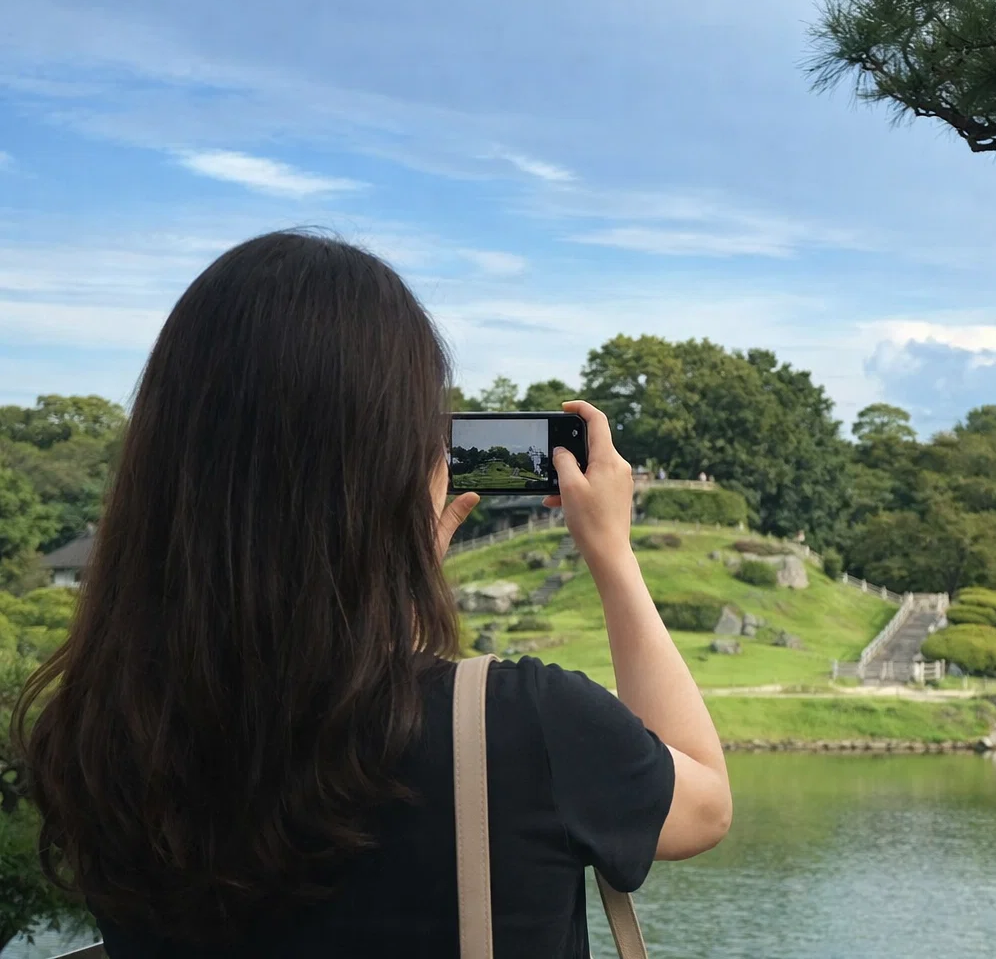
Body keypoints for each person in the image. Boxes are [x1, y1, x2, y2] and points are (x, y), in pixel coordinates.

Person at [13, 231, 732, 957]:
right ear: (397, 471)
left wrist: (395, 586)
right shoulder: (522, 726)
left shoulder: (95, 737)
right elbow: (703, 803)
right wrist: (612, 553)